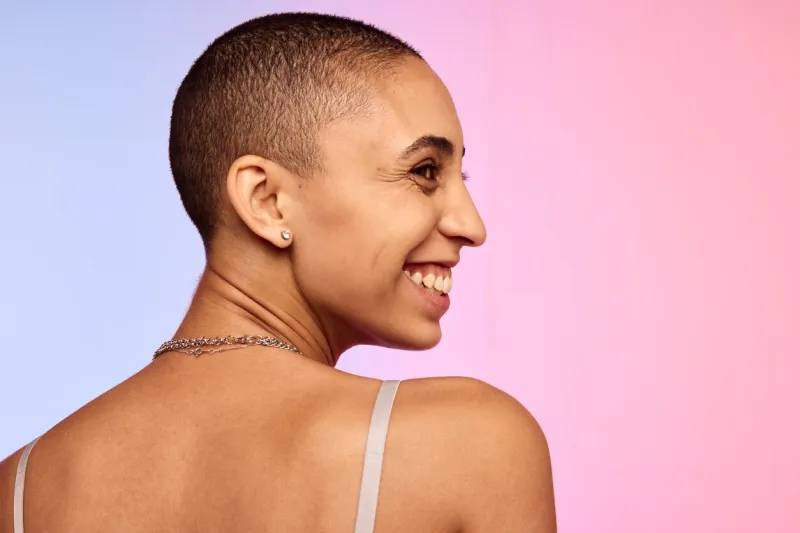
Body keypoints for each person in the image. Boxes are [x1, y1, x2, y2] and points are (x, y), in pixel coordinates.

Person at [0, 12, 556, 533]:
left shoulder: (19, 489)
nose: (471, 224)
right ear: (267, 200)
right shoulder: (470, 443)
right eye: (425, 171)